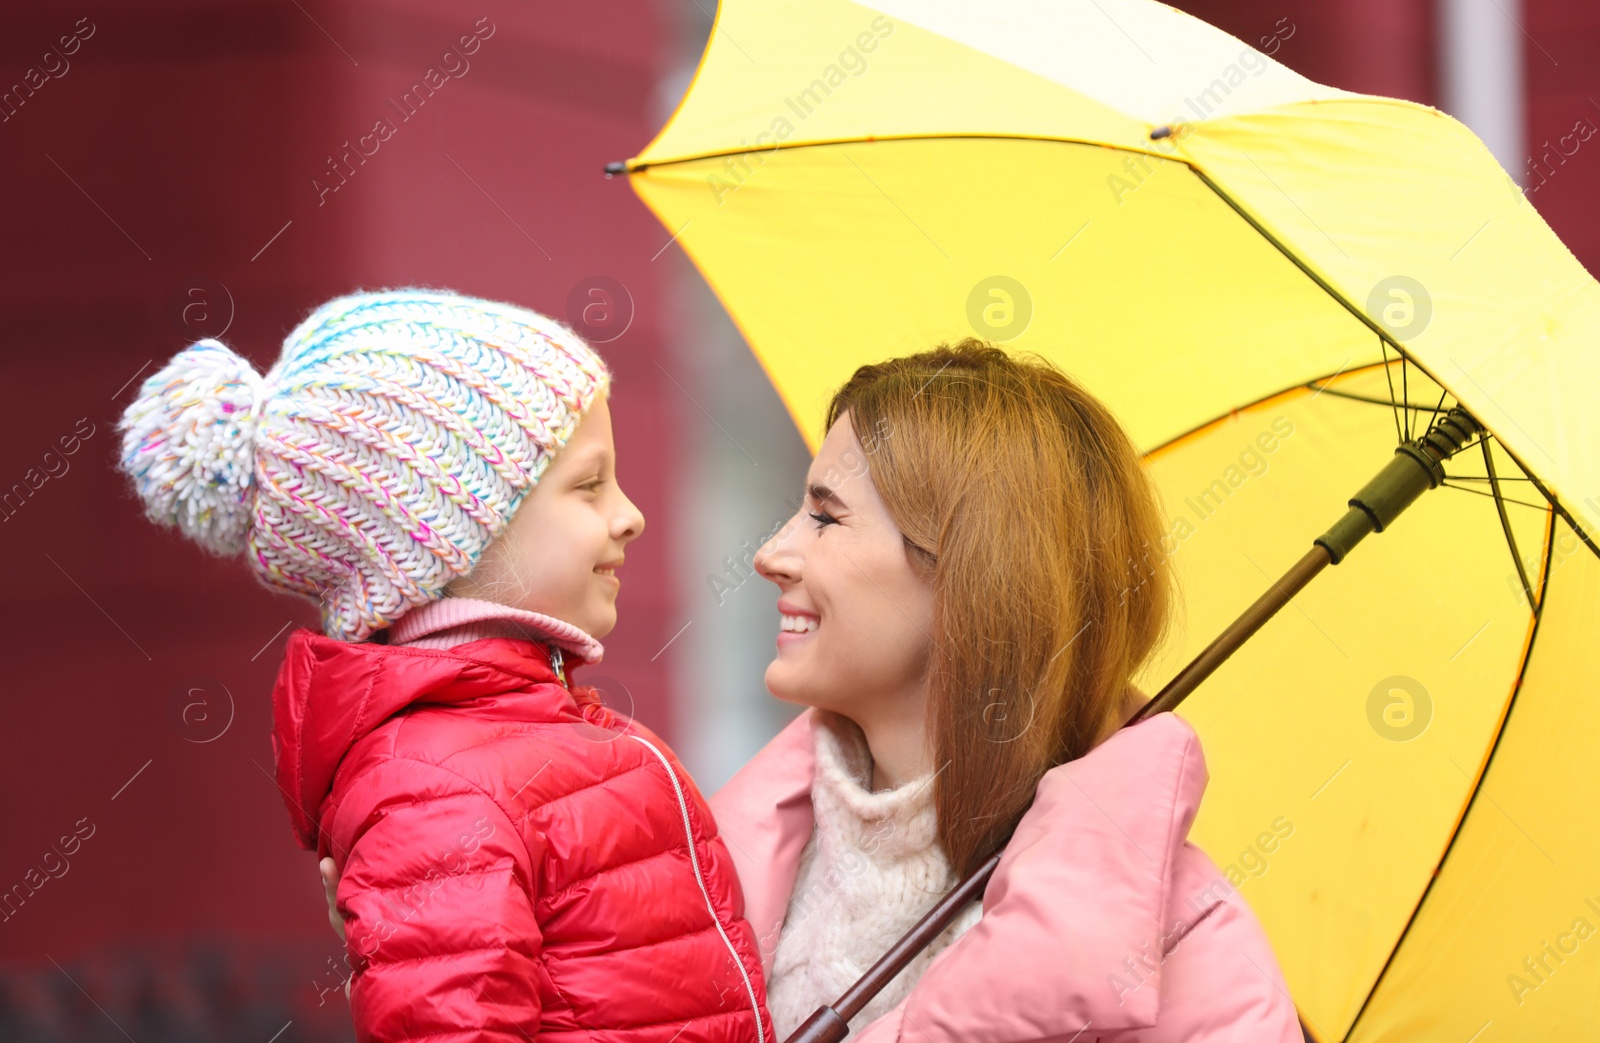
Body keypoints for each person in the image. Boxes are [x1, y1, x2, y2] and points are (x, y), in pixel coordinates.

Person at [118, 289, 772, 1043]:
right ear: (453, 533)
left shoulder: (533, 737)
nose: (629, 513)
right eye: (589, 484)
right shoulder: (436, 787)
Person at [716, 339, 1305, 1042]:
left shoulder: (1196, 956)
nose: (771, 554)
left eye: (825, 516)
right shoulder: (698, 858)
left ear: (970, 575)